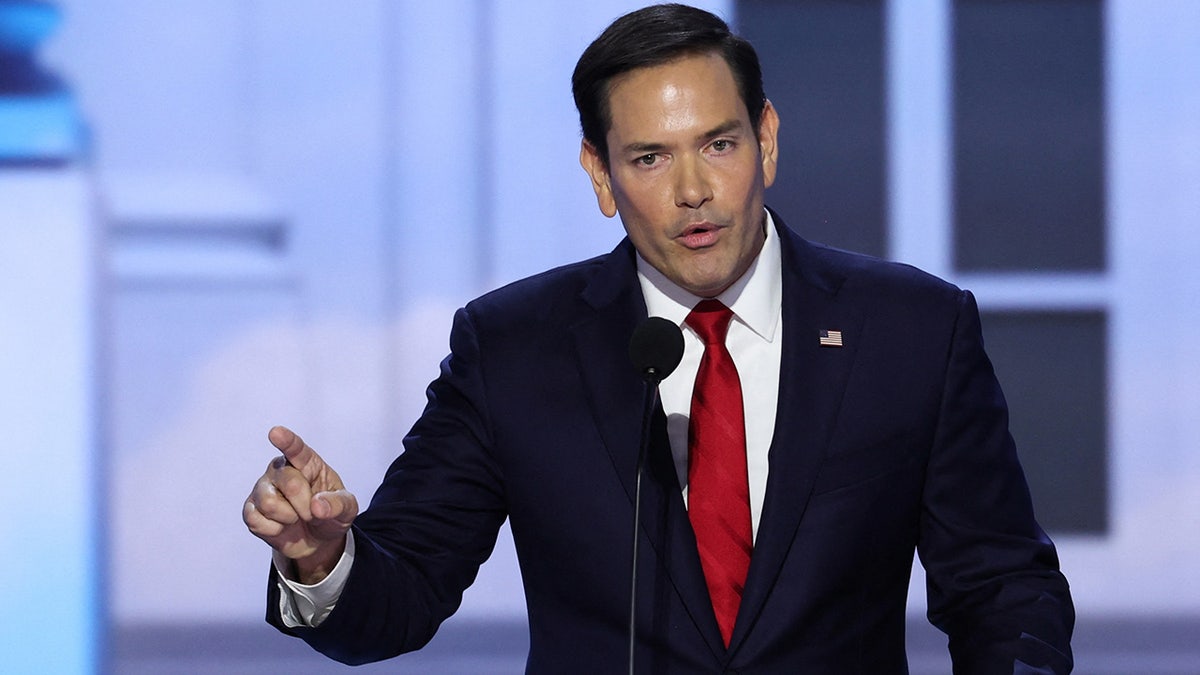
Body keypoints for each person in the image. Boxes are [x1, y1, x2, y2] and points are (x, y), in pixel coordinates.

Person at [242, 4, 1074, 672]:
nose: (692, 190)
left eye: (719, 144)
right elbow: (401, 597)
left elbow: (1002, 589)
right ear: (599, 174)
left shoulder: (910, 329)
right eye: (648, 158)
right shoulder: (515, 349)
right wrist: (323, 558)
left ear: (768, 139)